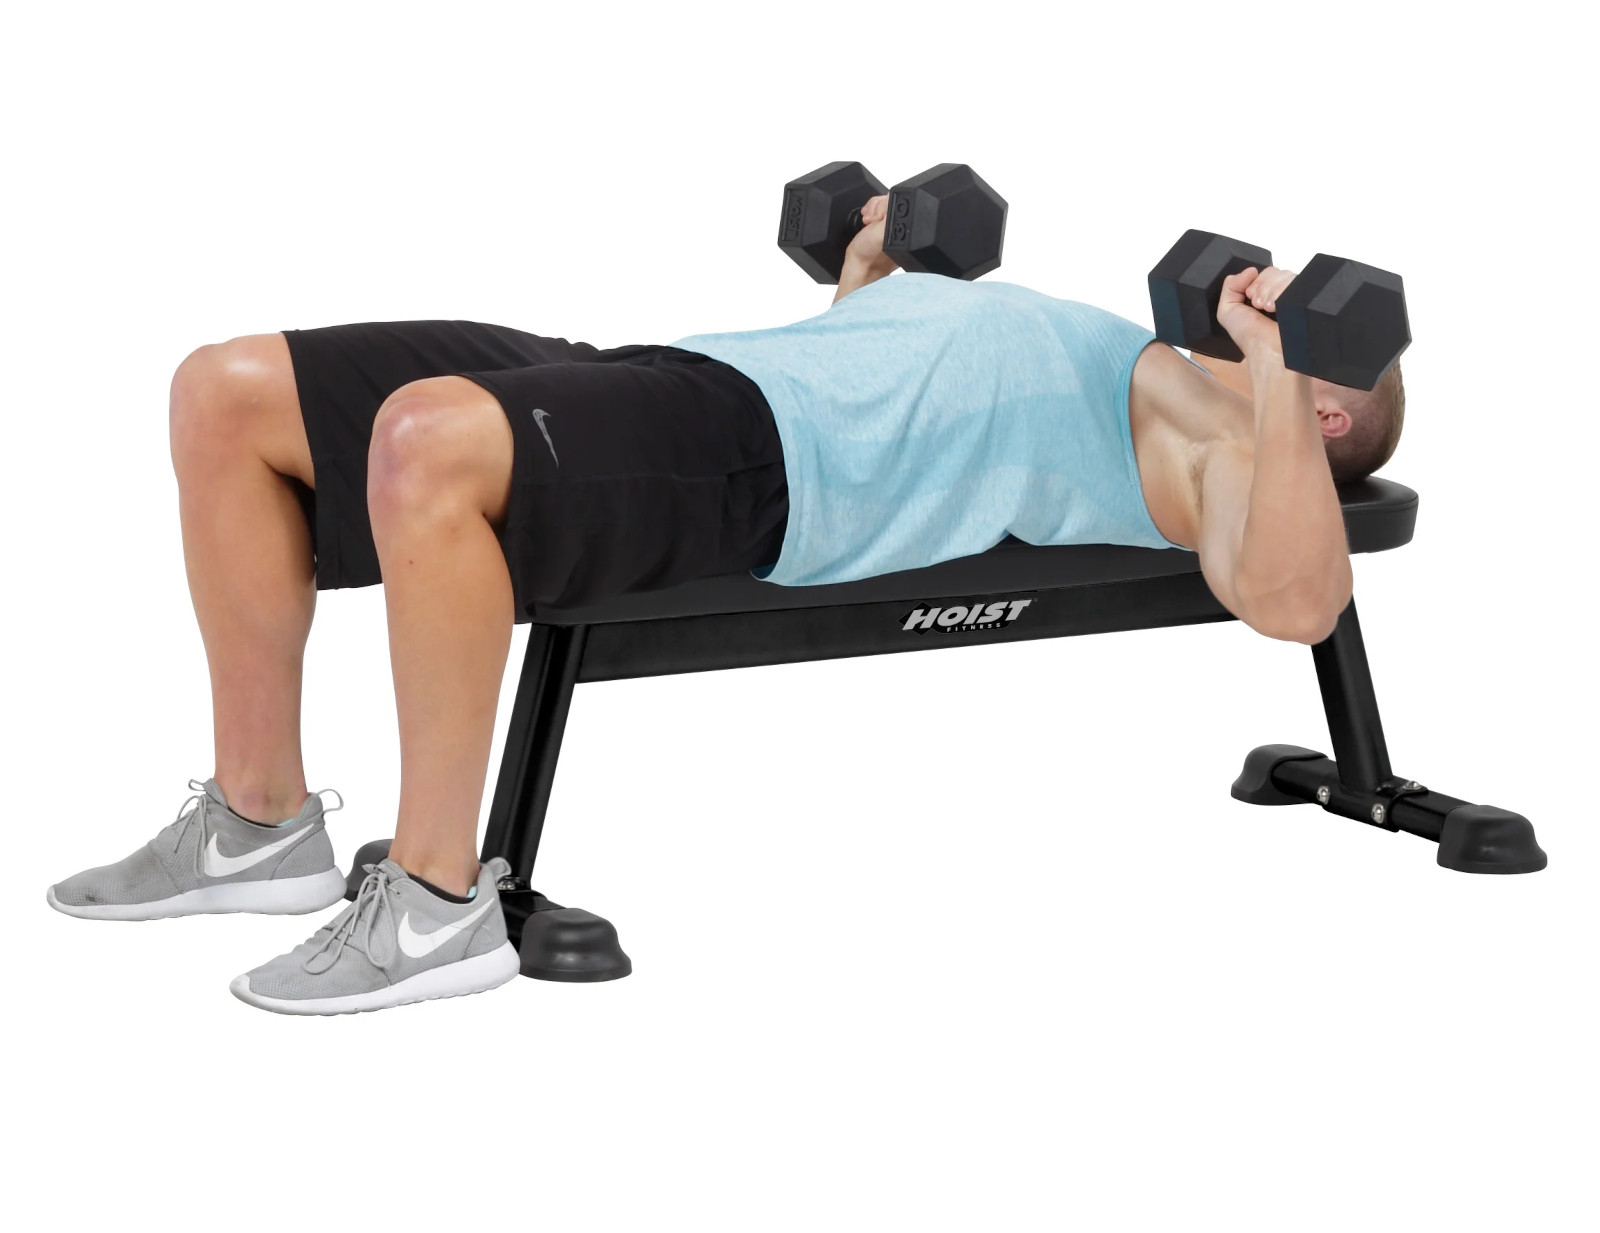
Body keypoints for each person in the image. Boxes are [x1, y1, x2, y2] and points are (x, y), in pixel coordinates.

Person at [46, 196, 1404, 1014]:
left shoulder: (1220, 445)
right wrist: (873, 266)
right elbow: (888, 361)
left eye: (1295, 337)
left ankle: (438, 905)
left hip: (769, 467)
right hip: (684, 374)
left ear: (1328, 412)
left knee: (424, 443)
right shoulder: (1137, 352)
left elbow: (1294, 597)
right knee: (226, 391)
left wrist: (1278, 376)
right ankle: (257, 827)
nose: (1258, 304)